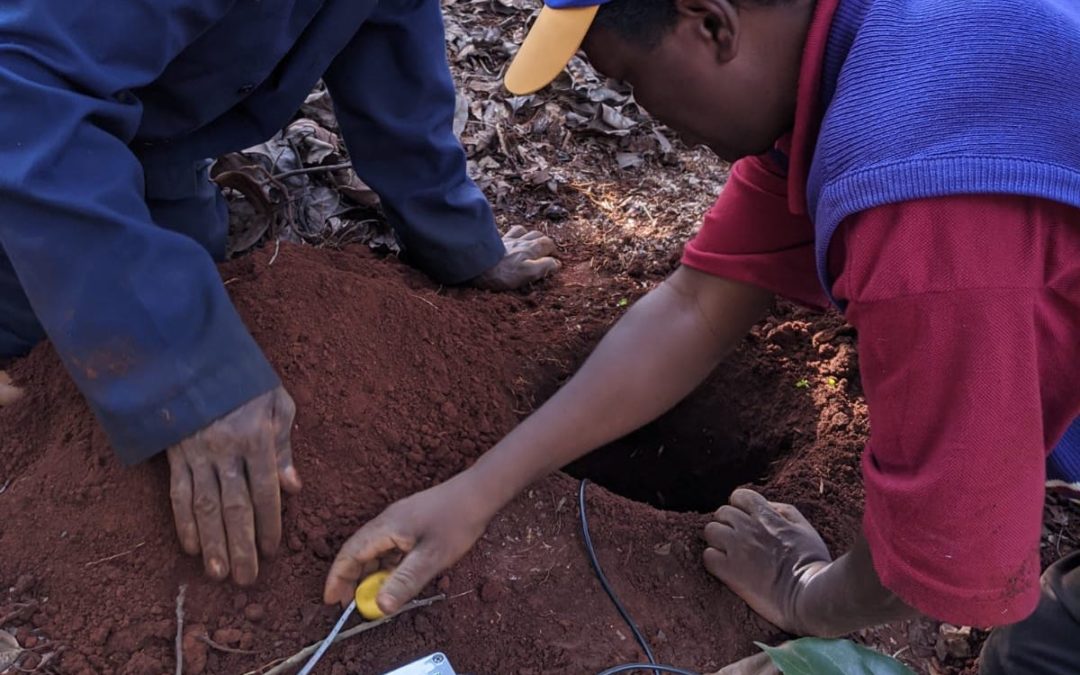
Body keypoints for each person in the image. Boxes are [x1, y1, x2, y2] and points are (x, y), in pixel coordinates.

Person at [322, 0, 1080, 672]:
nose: (641, 111)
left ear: (712, 23)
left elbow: (949, 541)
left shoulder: (925, 198)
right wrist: (475, 491)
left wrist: (804, 596)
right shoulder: (864, 54)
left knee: (1033, 656)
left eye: (626, 81)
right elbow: (695, 305)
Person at [0, 0, 559, 587]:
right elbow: (20, 92)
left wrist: (461, 242)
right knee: (40, 347)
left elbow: (393, 55)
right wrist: (185, 371)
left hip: (151, 136)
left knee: (190, 273)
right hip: (28, 127)